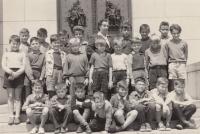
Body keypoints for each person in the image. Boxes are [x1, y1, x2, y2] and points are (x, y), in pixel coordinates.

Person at [2, 35, 26, 125]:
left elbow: (24, 66)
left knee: (18, 97)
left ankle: (17, 117)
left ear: (19, 44)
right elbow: (3, 65)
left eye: (16, 44)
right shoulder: (6, 53)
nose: (15, 45)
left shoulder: (22, 53)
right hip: (9, 74)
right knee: (10, 97)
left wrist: (17, 73)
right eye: (13, 44)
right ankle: (11, 116)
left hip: (19, 75)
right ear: (10, 43)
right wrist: (11, 72)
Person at [40, 34, 66, 98]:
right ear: (51, 44)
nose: (56, 44)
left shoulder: (63, 54)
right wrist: (41, 77)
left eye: (58, 43)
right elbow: (44, 65)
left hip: (60, 72)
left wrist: (65, 75)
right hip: (51, 73)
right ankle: (51, 105)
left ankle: (58, 104)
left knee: (60, 89)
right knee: (51, 89)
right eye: (54, 43)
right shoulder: (47, 53)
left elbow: (65, 65)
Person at [165, 24, 188, 91]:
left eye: (177, 33)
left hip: (181, 63)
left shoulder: (184, 43)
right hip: (172, 63)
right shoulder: (168, 43)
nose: (175, 35)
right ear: (171, 33)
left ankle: (181, 95)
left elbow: (186, 54)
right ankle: (174, 96)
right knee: (173, 81)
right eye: (174, 33)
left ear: (179, 33)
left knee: (182, 80)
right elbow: (167, 55)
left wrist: (184, 63)